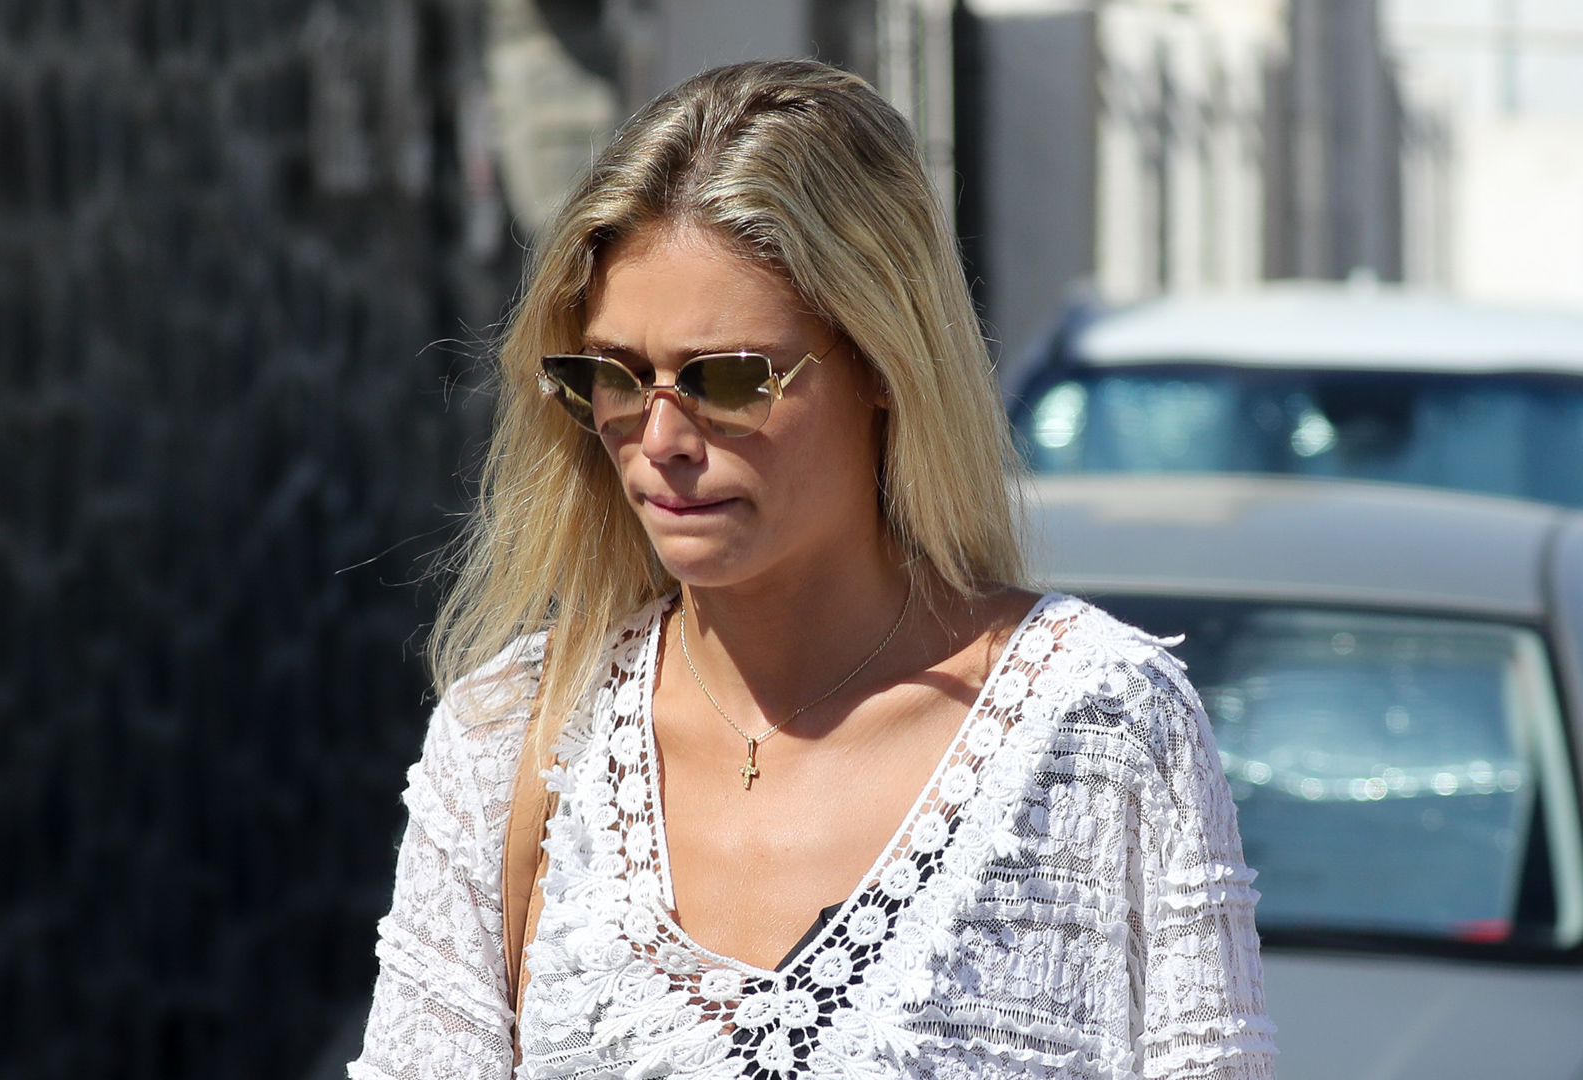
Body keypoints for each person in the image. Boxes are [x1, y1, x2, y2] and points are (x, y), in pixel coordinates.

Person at [351, 60, 1274, 1080]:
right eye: (614, 376)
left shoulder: (1104, 732)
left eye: (728, 379)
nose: (660, 438)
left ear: (882, 362)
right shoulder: (512, 744)